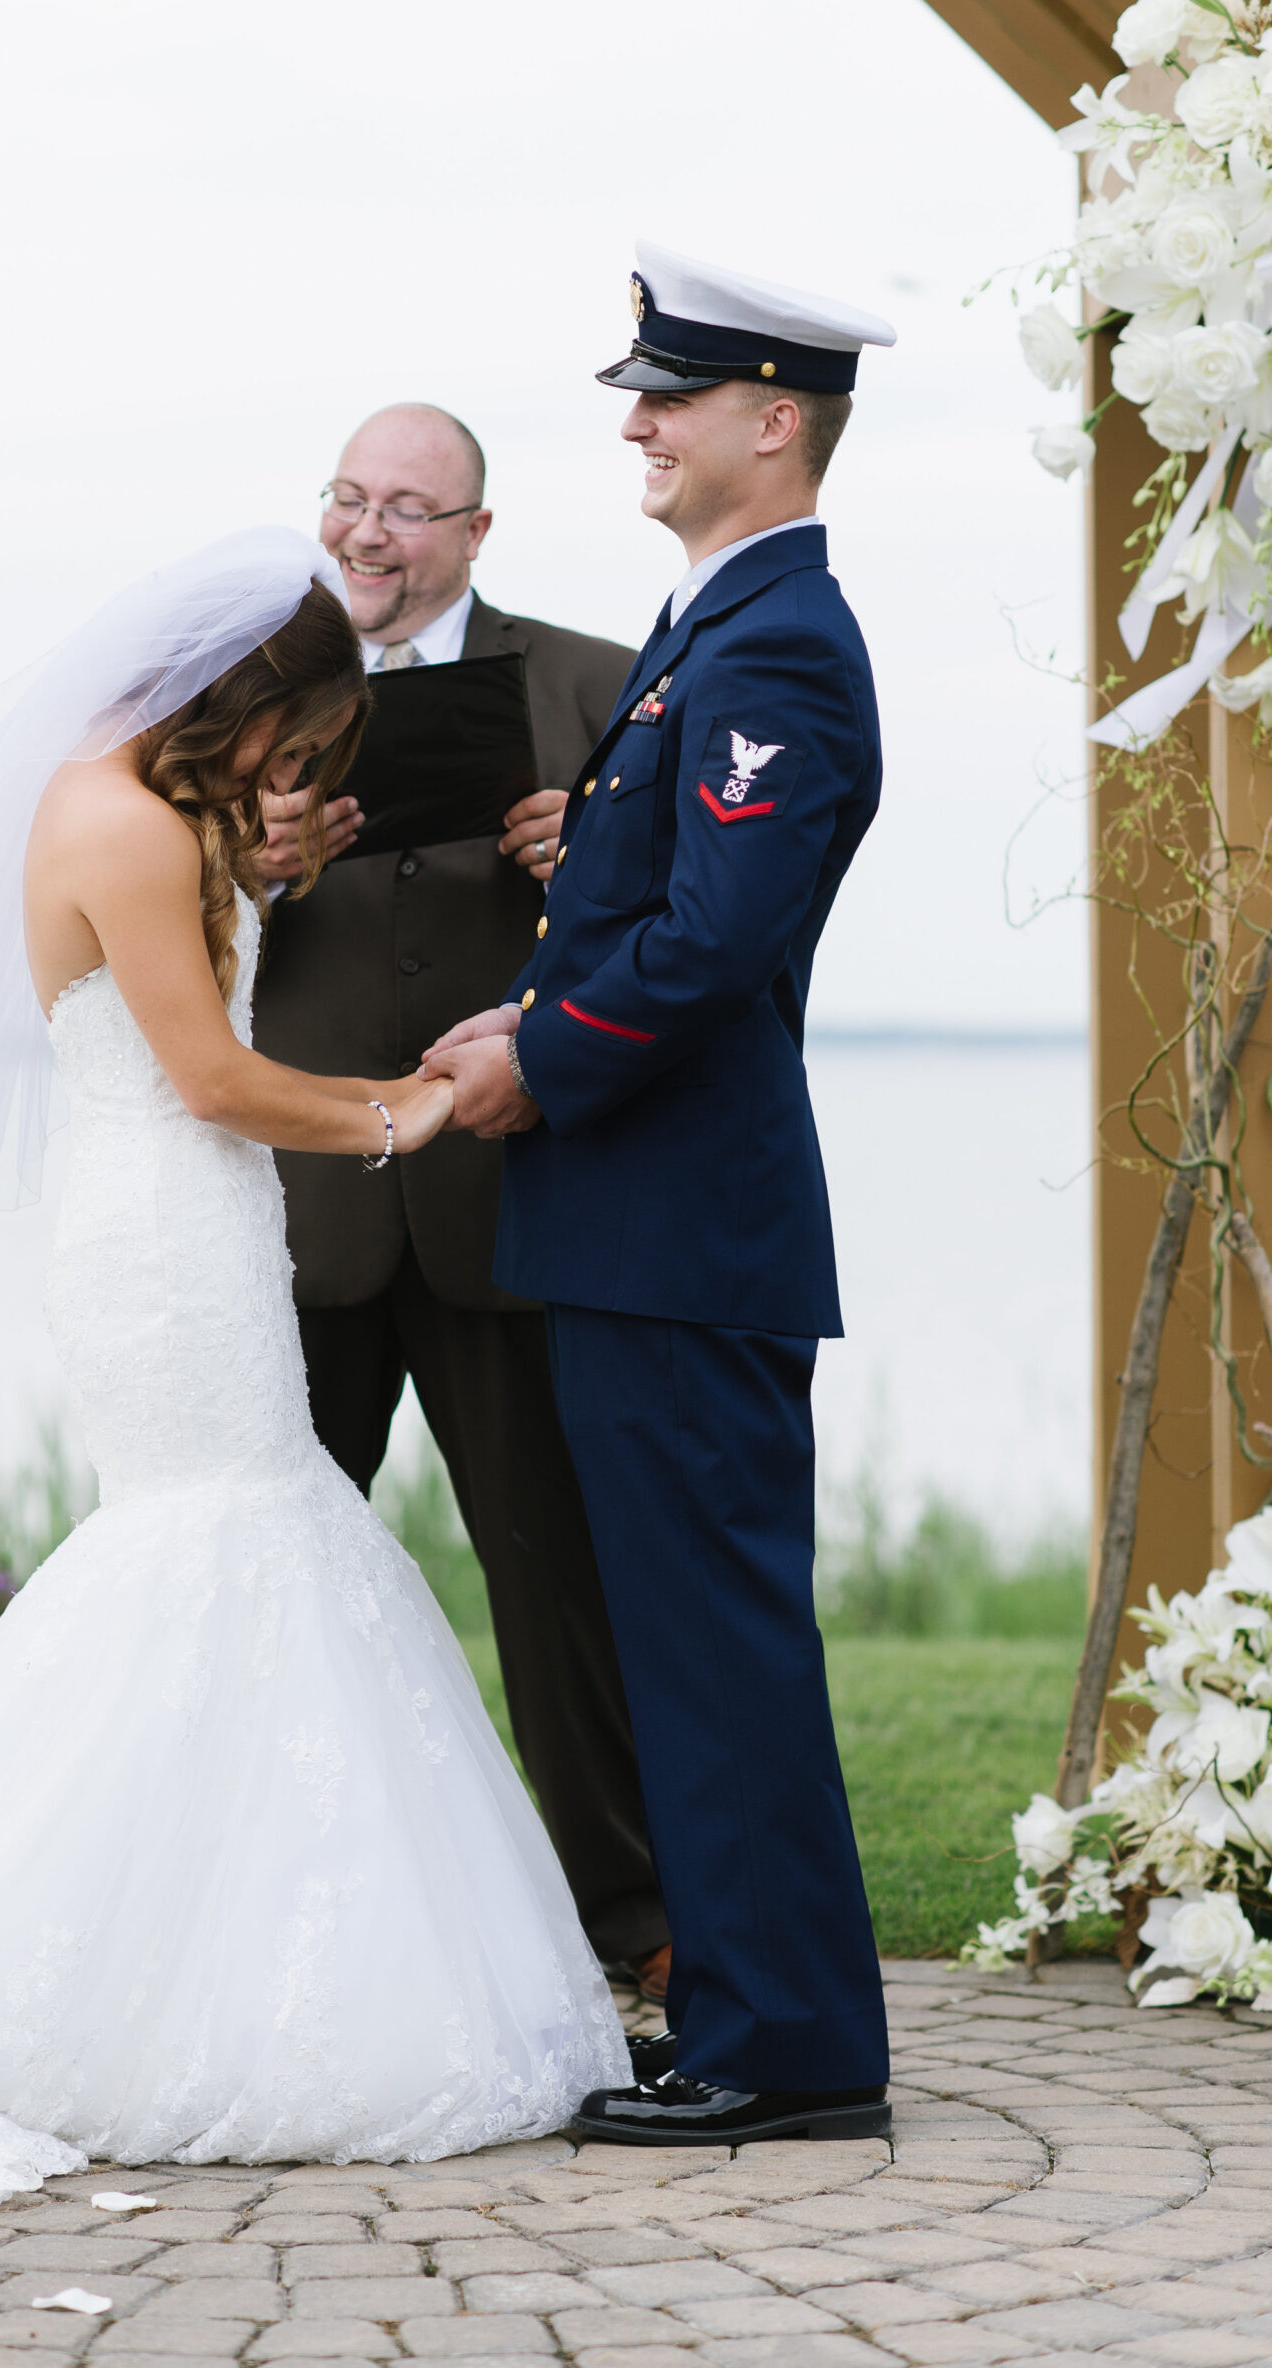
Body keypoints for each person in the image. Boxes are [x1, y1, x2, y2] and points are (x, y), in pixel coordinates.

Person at [0, 529, 628, 2235]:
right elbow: (215, 1076)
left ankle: (196, 1956)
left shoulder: (138, 809)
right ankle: (77, 1961)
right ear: (236, 703)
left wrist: (283, 866)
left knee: (244, 1556)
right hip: (165, 1228)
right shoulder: (125, 820)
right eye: (290, 746)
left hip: (183, 1223)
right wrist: (416, 1107)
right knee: (216, 1550)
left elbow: (197, 998)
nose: (292, 774)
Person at [423, 242, 896, 2150]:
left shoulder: (778, 639)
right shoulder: (717, 622)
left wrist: (541, 1059)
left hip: (684, 1227)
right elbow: (661, 926)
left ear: (770, 422)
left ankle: (778, 2047)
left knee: (714, 1643)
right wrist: (533, 997)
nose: (637, 419)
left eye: (669, 395)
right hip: (651, 1223)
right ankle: (762, 2019)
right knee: (687, 1637)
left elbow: (717, 947)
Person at [250, 402, 670, 1989]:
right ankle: (275, 1921)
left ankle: (626, 1927)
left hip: (509, 1207)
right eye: (350, 496)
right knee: (273, 1584)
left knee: (558, 1587)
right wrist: (259, 857)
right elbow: (151, 918)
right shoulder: (250, 685)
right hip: (305, 1218)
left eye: (412, 508)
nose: (372, 530)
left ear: (477, 534)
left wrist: (599, 863)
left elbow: (692, 933)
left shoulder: (592, 679)